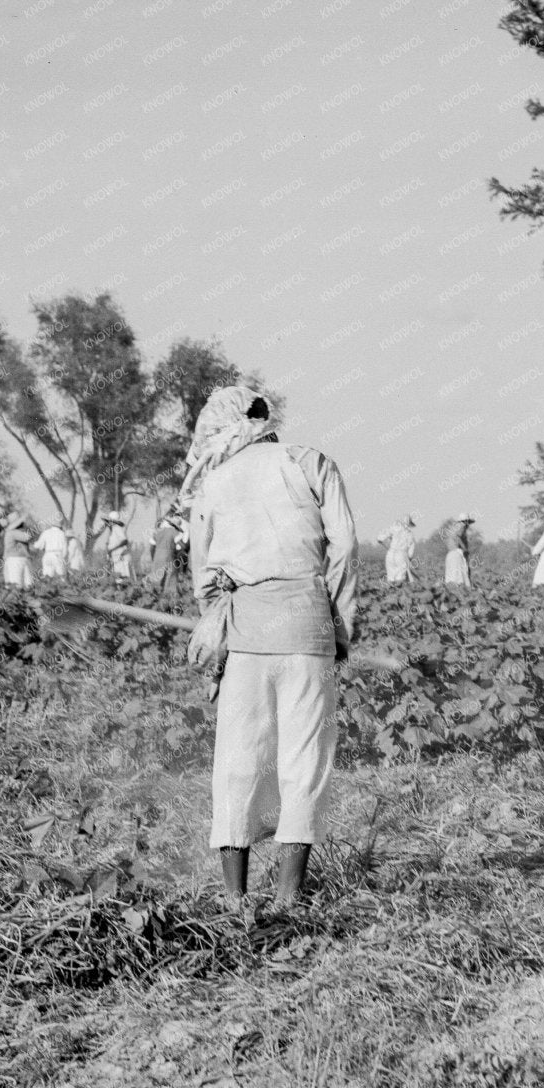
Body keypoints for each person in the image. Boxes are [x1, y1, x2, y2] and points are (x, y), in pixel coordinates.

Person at [183, 386, 356, 911]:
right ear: (264, 418)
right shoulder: (312, 463)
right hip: (306, 626)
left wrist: (215, 622)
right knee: (304, 760)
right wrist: (340, 627)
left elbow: (203, 571)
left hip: (245, 629)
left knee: (239, 759)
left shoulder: (213, 481)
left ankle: (234, 900)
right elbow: (344, 547)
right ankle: (287, 899)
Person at [145, 512, 182, 599]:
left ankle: (154, 599)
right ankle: (167, 601)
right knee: (169, 581)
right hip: (169, 557)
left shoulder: (157, 532)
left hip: (157, 557)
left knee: (156, 581)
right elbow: (180, 547)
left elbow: (151, 547)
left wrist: (154, 558)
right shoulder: (174, 531)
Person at [0, 512, 34, 589]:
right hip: (16, 561)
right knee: (17, 586)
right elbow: (28, 537)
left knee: (23, 585)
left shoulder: (11, 532)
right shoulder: (13, 533)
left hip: (16, 560)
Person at [382, 516, 417, 586]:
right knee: (400, 578)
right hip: (401, 555)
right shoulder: (410, 534)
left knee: (391, 578)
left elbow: (380, 539)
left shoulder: (393, 529)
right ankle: (398, 591)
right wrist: (409, 559)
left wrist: (389, 548)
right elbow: (410, 553)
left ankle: (390, 592)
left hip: (390, 554)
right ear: (409, 524)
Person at [102, 508, 133, 583]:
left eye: (108, 522)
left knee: (120, 577)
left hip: (120, 556)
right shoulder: (112, 530)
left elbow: (125, 541)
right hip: (115, 557)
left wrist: (112, 550)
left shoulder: (117, 528)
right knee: (116, 576)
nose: (107, 524)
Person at [444, 516, 474, 587]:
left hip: (451, 554)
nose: (468, 524)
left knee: (451, 576)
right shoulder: (461, 527)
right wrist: (464, 549)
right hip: (457, 554)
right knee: (460, 577)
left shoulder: (454, 529)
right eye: (467, 522)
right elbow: (458, 537)